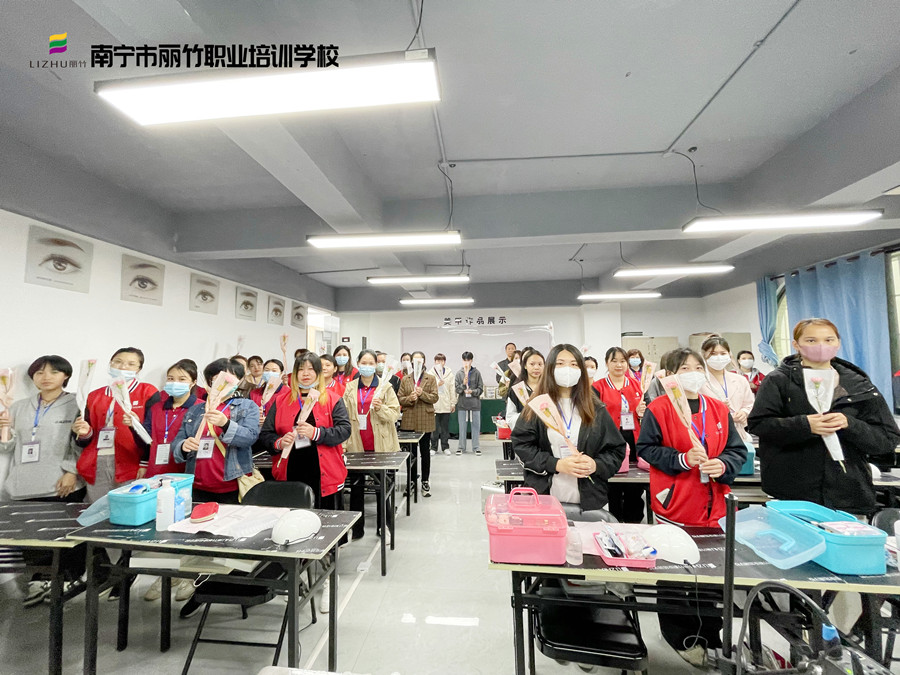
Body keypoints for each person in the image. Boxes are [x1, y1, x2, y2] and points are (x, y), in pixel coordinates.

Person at [637, 349, 747, 666]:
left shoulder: (717, 408)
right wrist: (681, 459)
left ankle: (711, 633)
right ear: (670, 374)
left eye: (698, 367)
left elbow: (736, 450)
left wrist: (722, 465)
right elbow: (646, 449)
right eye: (685, 368)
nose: (694, 372)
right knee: (674, 572)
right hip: (677, 503)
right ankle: (679, 634)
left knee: (712, 574)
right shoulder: (659, 408)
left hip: (715, 506)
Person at [748, 318, 900, 515]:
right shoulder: (779, 381)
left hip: (848, 491)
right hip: (794, 491)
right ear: (796, 345)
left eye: (829, 340)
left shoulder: (859, 384)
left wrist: (850, 424)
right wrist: (804, 425)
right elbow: (759, 424)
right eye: (811, 340)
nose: (821, 346)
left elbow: (887, 439)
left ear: (838, 343)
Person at [0, 355, 87, 607]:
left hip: (60, 483)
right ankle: (39, 580)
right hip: (23, 485)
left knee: (63, 537)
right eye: (39, 373)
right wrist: (4, 433)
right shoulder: (18, 407)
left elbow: (81, 442)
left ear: (66, 376)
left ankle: (66, 578)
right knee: (31, 539)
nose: (45, 377)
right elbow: (8, 447)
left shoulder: (77, 404)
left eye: (53, 372)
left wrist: (71, 471)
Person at [510, 343, 626, 520]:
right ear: (550, 368)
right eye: (560, 364)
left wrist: (596, 465)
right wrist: (555, 464)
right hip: (546, 497)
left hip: (590, 501)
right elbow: (522, 446)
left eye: (574, 364)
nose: (568, 369)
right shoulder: (538, 407)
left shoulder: (596, 408)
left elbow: (616, 450)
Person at [132, 359, 198, 602]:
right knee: (160, 528)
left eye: (182, 379)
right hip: (156, 472)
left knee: (184, 529)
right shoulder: (157, 407)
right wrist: (134, 427)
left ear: (193, 382)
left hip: (183, 473)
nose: (174, 383)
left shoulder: (199, 407)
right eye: (171, 378)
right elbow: (146, 439)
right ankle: (165, 575)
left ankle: (187, 575)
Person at [256, 352, 350, 509]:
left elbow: (344, 430)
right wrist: (279, 442)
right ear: (294, 374)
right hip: (291, 470)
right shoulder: (281, 401)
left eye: (311, 369)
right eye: (301, 369)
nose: (305, 373)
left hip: (325, 472)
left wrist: (316, 433)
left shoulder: (333, 399)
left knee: (327, 518)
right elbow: (266, 434)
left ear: (318, 373)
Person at [72, 347, 158, 503]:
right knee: (97, 508)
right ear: (110, 364)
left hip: (131, 463)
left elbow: (154, 433)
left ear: (139, 369)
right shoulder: (93, 396)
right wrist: (84, 433)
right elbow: (82, 440)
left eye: (131, 364)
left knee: (128, 507)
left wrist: (145, 463)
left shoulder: (147, 392)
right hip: (97, 463)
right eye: (118, 362)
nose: (123, 367)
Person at [172, 358, 260, 505]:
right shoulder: (195, 409)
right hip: (197, 484)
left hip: (231, 484)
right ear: (210, 381)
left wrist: (225, 424)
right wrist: (183, 446)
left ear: (238, 382)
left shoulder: (247, 406)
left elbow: (250, 437)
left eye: (229, 379)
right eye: (217, 378)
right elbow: (177, 441)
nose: (223, 383)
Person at [342, 350, 401, 539]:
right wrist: (344, 444)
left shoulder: (385, 386)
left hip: (381, 445)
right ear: (358, 363)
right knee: (356, 488)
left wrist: (380, 408)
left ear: (376, 365)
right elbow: (343, 416)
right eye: (363, 363)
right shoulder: (350, 387)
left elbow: (394, 414)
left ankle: (384, 527)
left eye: (370, 363)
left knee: (382, 488)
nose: (367, 366)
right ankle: (357, 529)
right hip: (356, 444)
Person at [593, 347, 647, 523]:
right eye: (614, 361)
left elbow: (644, 414)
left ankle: (634, 522)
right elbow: (593, 416)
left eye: (622, 361)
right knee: (614, 485)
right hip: (609, 441)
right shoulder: (598, 387)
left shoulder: (637, 385)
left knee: (634, 487)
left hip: (633, 437)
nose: (619, 365)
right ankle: (615, 521)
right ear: (607, 363)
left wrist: (641, 412)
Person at [397, 351, 439, 496]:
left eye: (420, 360)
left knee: (425, 452)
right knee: (411, 453)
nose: (417, 362)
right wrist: (410, 398)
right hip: (409, 420)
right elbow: (400, 398)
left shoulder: (430, 378)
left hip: (425, 420)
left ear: (424, 361)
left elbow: (434, 398)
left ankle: (425, 481)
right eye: (414, 360)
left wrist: (422, 394)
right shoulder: (405, 379)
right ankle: (411, 480)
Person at [701, 335, 755, 442]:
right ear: (704, 355)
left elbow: (750, 404)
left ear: (729, 354)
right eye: (713, 354)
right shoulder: (699, 382)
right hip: (711, 435)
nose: (719, 357)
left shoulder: (740, 380)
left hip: (738, 434)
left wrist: (744, 412)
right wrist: (720, 412)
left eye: (723, 353)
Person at [504, 348, 544, 429]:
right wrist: (527, 415)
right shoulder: (517, 389)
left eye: (540, 364)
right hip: (524, 433)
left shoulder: (549, 389)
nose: (536, 367)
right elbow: (510, 418)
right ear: (525, 365)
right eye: (532, 364)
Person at [454, 352, 484, 455]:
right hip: (462, 404)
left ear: (472, 360)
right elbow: (457, 390)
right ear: (462, 361)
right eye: (465, 360)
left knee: (476, 426)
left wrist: (472, 391)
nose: (466, 362)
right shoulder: (459, 373)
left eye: (468, 360)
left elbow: (480, 389)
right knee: (462, 427)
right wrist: (463, 384)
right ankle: (461, 447)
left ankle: (476, 447)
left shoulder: (477, 373)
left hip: (475, 404)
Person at [429, 353, 456, 456]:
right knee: (434, 428)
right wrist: (437, 384)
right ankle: (433, 447)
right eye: (437, 361)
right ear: (434, 362)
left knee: (445, 428)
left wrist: (453, 403)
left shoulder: (449, 374)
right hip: (434, 405)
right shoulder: (430, 374)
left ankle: (445, 447)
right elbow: (428, 388)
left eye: (442, 361)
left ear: (444, 362)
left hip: (446, 404)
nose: (440, 363)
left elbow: (452, 389)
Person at [249, 359, 284, 425]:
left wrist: (269, 421)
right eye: (267, 370)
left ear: (281, 373)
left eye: (274, 371)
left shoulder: (288, 393)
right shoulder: (254, 393)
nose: (270, 373)